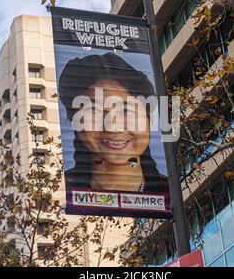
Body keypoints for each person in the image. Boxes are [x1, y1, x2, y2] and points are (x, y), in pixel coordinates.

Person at [58, 52, 168, 193]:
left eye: (126, 110)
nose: (112, 127)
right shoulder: (60, 192)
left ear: (150, 119)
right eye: (94, 110)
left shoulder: (172, 195)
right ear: (75, 121)